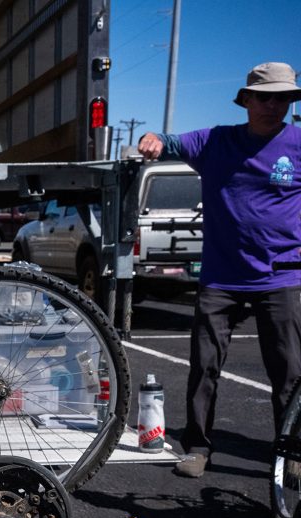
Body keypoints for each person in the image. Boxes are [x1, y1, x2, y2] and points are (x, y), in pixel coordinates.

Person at [137, 62, 301, 477]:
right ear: (246, 100)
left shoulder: (299, 145)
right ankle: (197, 446)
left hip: (281, 276)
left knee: (289, 375)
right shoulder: (216, 141)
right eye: (265, 97)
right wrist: (151, 139)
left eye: (283, 98)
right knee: (205, 365)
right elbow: (167, 141)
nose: (273, 105)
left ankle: (292, 456)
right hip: (221, 276)